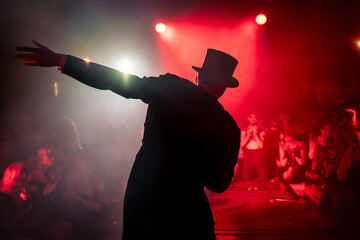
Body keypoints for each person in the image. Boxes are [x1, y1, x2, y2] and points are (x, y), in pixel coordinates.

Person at [15, 41, 241, 240]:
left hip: (146, 203)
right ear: (223, 85)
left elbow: (119, 82)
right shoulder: (229, 127)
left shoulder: (171, 88)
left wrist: (62, 60)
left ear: (198, 76)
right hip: (189, 215)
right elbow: (219, 184)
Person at [240, 113, 266, 181]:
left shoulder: (261, 130)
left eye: (255, 117)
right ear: (248, 118)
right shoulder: (244, 130)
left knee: (263, 177)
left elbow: (261, 145)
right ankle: (253, 171)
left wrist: (255, 134)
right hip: (248, 154)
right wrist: (248, 135)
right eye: (251, 117)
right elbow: (241, 144)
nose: (253, 119)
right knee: (245, 177)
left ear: (256, 119)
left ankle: (256, 170)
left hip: (257, 154)